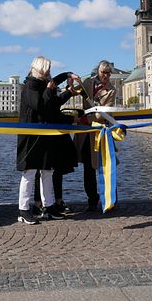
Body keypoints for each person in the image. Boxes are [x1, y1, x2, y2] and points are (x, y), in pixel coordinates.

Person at [16, 56, 78, 225]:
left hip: (43, 135)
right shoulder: (30, 86)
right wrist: (51, 88)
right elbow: (40, 105)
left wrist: (67, 78)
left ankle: (48, 207)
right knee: (29, 173)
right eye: (47, 70)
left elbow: (53, 103)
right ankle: (23, 210)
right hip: (30, 136)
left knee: (47, 171)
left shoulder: (43, 84)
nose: (50, 73)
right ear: (40, 70)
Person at [73, 60, 116, 211]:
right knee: (88, 169)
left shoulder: (111, 90)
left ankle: (111, 199)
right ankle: (92, 200)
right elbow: (75, 91)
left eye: (108, 73)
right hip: (85, 133)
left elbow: (104, 113)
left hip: (100, 133)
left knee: (106, 166)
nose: (106, 75)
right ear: (98, 71)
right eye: (104, 72)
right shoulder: (87, 83)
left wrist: (84, 118)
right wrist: (72, 83)